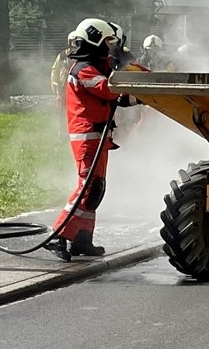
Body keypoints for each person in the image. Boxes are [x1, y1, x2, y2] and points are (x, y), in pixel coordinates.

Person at [45, 17, 141, 261]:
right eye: (108, 41)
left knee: (95, 190)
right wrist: (122, 71)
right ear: (95, 39)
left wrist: (145, 92)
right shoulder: (82, 69)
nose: (111, 47)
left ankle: (82, 239)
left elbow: (121, 97)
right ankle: (58, 235)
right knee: (86, 187)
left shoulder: (97, 67)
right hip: (87, 138)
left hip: (99, 137)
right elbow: (109, 90)